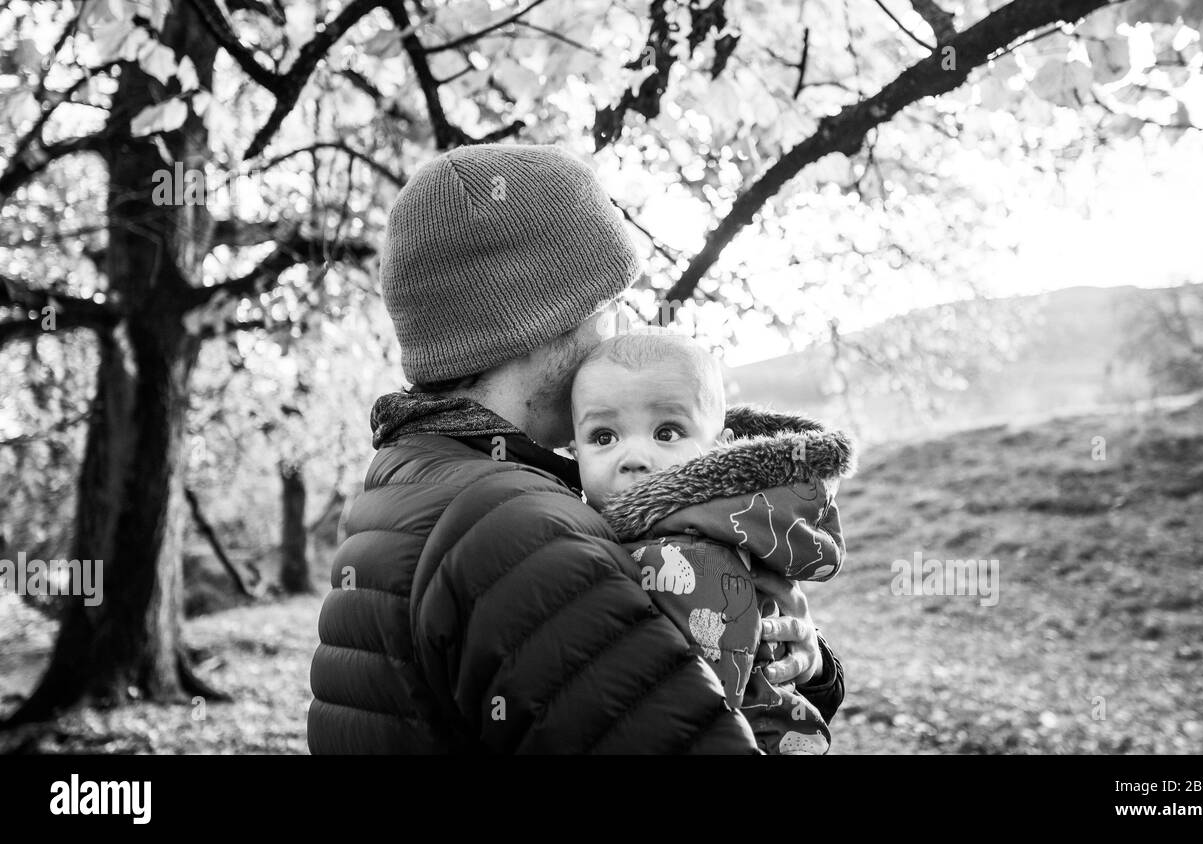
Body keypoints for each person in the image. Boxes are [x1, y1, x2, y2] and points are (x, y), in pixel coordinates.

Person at [308, 143, 844, 753]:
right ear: (541, 322)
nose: (615, 334)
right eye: (608, 307)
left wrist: (797, 666)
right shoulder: (522, 531)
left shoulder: (407, 477)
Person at [570, 330, 854, 754]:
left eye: (666, 432)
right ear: (573, 452)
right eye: (604, 437)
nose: (632, 458)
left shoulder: (731, 522)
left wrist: (816, 666)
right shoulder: (579, 526)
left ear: (718, 449)